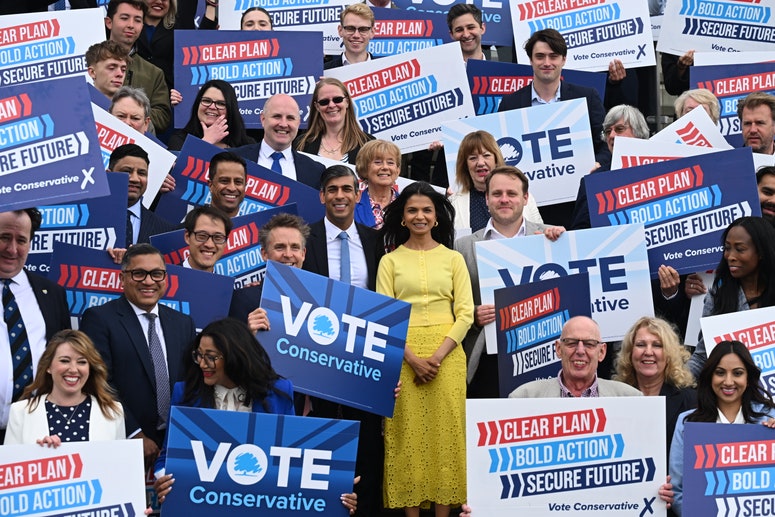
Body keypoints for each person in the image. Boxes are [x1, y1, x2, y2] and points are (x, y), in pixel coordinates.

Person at [151, 319, 358, 514]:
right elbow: (166, 458)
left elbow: (294, 459)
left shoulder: (279, 392)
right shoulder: (186, 393)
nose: (203, 364)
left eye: (211, 357)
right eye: (199, 355)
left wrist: (335, 491)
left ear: (234, 357)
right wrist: (166, 482)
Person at [377, 181, 474, 516]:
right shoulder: (389, 261)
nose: (420, 216)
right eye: (412, 210)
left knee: (447, 440)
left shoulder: (454, 259)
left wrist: (435, 357)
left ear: (436, 217)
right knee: (408, 439)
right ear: (402, 217)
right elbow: (385, 319)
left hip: (447, 356)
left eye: (426, 210)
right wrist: (413, 358)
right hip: (403, 357)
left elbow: (465, 314)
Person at [302, 165, 384, 517]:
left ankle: (363, 509)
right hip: (316, 354)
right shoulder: (305, 239)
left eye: (346, 189)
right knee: (321, 436)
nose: (339, 196)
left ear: (357, 194)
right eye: (332, 189)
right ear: (322, 196)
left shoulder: (374, 239)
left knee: (366, 441)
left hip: (363, 358)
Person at [80, 243, 196, 469]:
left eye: (156, 274)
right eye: (139, 273)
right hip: (125, 443)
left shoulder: (183, 323)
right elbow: (99, 381)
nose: (149, 281)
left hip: (177, 443)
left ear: (165, 278)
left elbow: (191, 380)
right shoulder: (100, 319)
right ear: (123, 279)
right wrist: (132, 432)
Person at [455, 166, 564, 398]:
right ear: (486, 198)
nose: (504, 199)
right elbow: (452, 303)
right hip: (487, 360)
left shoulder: (551, 237)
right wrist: (473, 315)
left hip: (543, 356)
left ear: (525, 198)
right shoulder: (463, 247)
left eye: (512, 194)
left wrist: (564, 246)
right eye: (497, 194)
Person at [659, 341, 775, 516]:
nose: (728, 382)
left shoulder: (769, 418)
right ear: (710, 376)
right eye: (720, 373)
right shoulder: (687, 422)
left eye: (737, 373)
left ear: (748, 378)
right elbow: (677, 489)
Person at [0, 208, 71, 444]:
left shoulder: (52, 294)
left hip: (36, 436)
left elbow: (66, 358)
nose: (12, 249)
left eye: (21, 240)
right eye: (4, 237)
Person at [687, 217, 775, 377]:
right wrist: (672, 385)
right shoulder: (717, 296)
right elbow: (702, 356)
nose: (730, 256)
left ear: (761, 252)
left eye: (740, 249)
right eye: (727, 248)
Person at [5, 330, 125, 445]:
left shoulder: (113, 411)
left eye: (82, 362)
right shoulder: (20, 412)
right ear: (48, 366)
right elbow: (10, 463)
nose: (73, 369)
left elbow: (119, 463)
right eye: (64, 361)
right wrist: (39, 454)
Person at [614, 317, 696, 455]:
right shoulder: (614, 398)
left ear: (669, 354)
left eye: (657, 345)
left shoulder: (691, 401)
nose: (648, 352)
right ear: (630, 353)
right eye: (640, 345)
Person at [510, 316, 642, 398]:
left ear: (601, 352)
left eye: (589, 344)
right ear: (558, 349)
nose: (580, 351)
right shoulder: (524, 397)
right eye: (571, 343)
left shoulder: (630, 398)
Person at [570, 104, 650, 230]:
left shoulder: (659, 171)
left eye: (619, 129)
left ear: (638, 132)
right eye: (608, 131)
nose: (611, 135)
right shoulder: (593, 181)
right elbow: (580, 230)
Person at [449, 130, 542, 233]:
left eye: (486, 155)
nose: (480, 163)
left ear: (496, 160)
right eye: (473, 158)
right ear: (465, 165)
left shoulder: (524, 198)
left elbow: (539, 233)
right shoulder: (454, 204)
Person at [228, 213, 310, 331]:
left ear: (303, 254)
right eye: (279, 247)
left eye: (295, 247)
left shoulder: (320, 303)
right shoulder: (242, 299)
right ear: (264, 254)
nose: (287, 254)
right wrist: (248, 334)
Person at [232, 94, 325, 190]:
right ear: (263, 119)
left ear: (298, 123)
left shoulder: (315, 171)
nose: (283, 124)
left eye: (290, 118)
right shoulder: (233, 158)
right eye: (277, 116)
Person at [105, 0, 171, 133]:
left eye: (137, 20)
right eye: (124, 18)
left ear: (142, 25)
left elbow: (163, 116)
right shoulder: (88, 61)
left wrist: (134, 115)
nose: (131, 25)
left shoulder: (154, 73)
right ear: (109, 22)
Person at [136, 0, 217, 90]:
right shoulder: (129, 26)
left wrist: (211, 5)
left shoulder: (179, 27)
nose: (159, 1)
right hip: (132, 94)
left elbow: (201, 42)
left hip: (168, 97)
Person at [109, 144, 177, 246]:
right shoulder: (85, 218)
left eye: (141, 173)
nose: (135, 179)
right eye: (127, 171)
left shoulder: (164, 231)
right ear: (109, 174)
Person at [295, 78, 374, 165]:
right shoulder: (301, 144)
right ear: (317, 106)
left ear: (347, 102)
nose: (331, 105)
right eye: (324, 102)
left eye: (337, 99)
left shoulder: (368, 143)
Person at [167, 80, 255, 151]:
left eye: (220, 103)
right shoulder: (179, 140)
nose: (212, 107)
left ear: (230, 110)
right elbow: (180, 171)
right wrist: (206, 142)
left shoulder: (247, 144)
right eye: (206, 101)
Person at [354, 139, 401, 229]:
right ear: (364, 168)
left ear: (397, 170)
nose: (385, 167)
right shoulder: (353, 206)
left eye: (390, 163)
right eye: (378, 162)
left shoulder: (406, 204)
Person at [182, 205, 232, 272]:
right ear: (187, 237)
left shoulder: (226, 282)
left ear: (225, 242)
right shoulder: (166, 279)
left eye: (217, 237)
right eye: (202, 236)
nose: (209, 245)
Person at [325, 3, 374, 69]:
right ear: (340, 31)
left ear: (372, 32)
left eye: (363, 29)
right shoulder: (324, 72)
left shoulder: (386, 70)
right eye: (350, 28)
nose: (356, 35)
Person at [206, 151, 248, 218]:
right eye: (224, 181)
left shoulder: (259, 227)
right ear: (210, 185)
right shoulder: (191, 227)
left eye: (238, 182)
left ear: (245, 186)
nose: (232, 188)